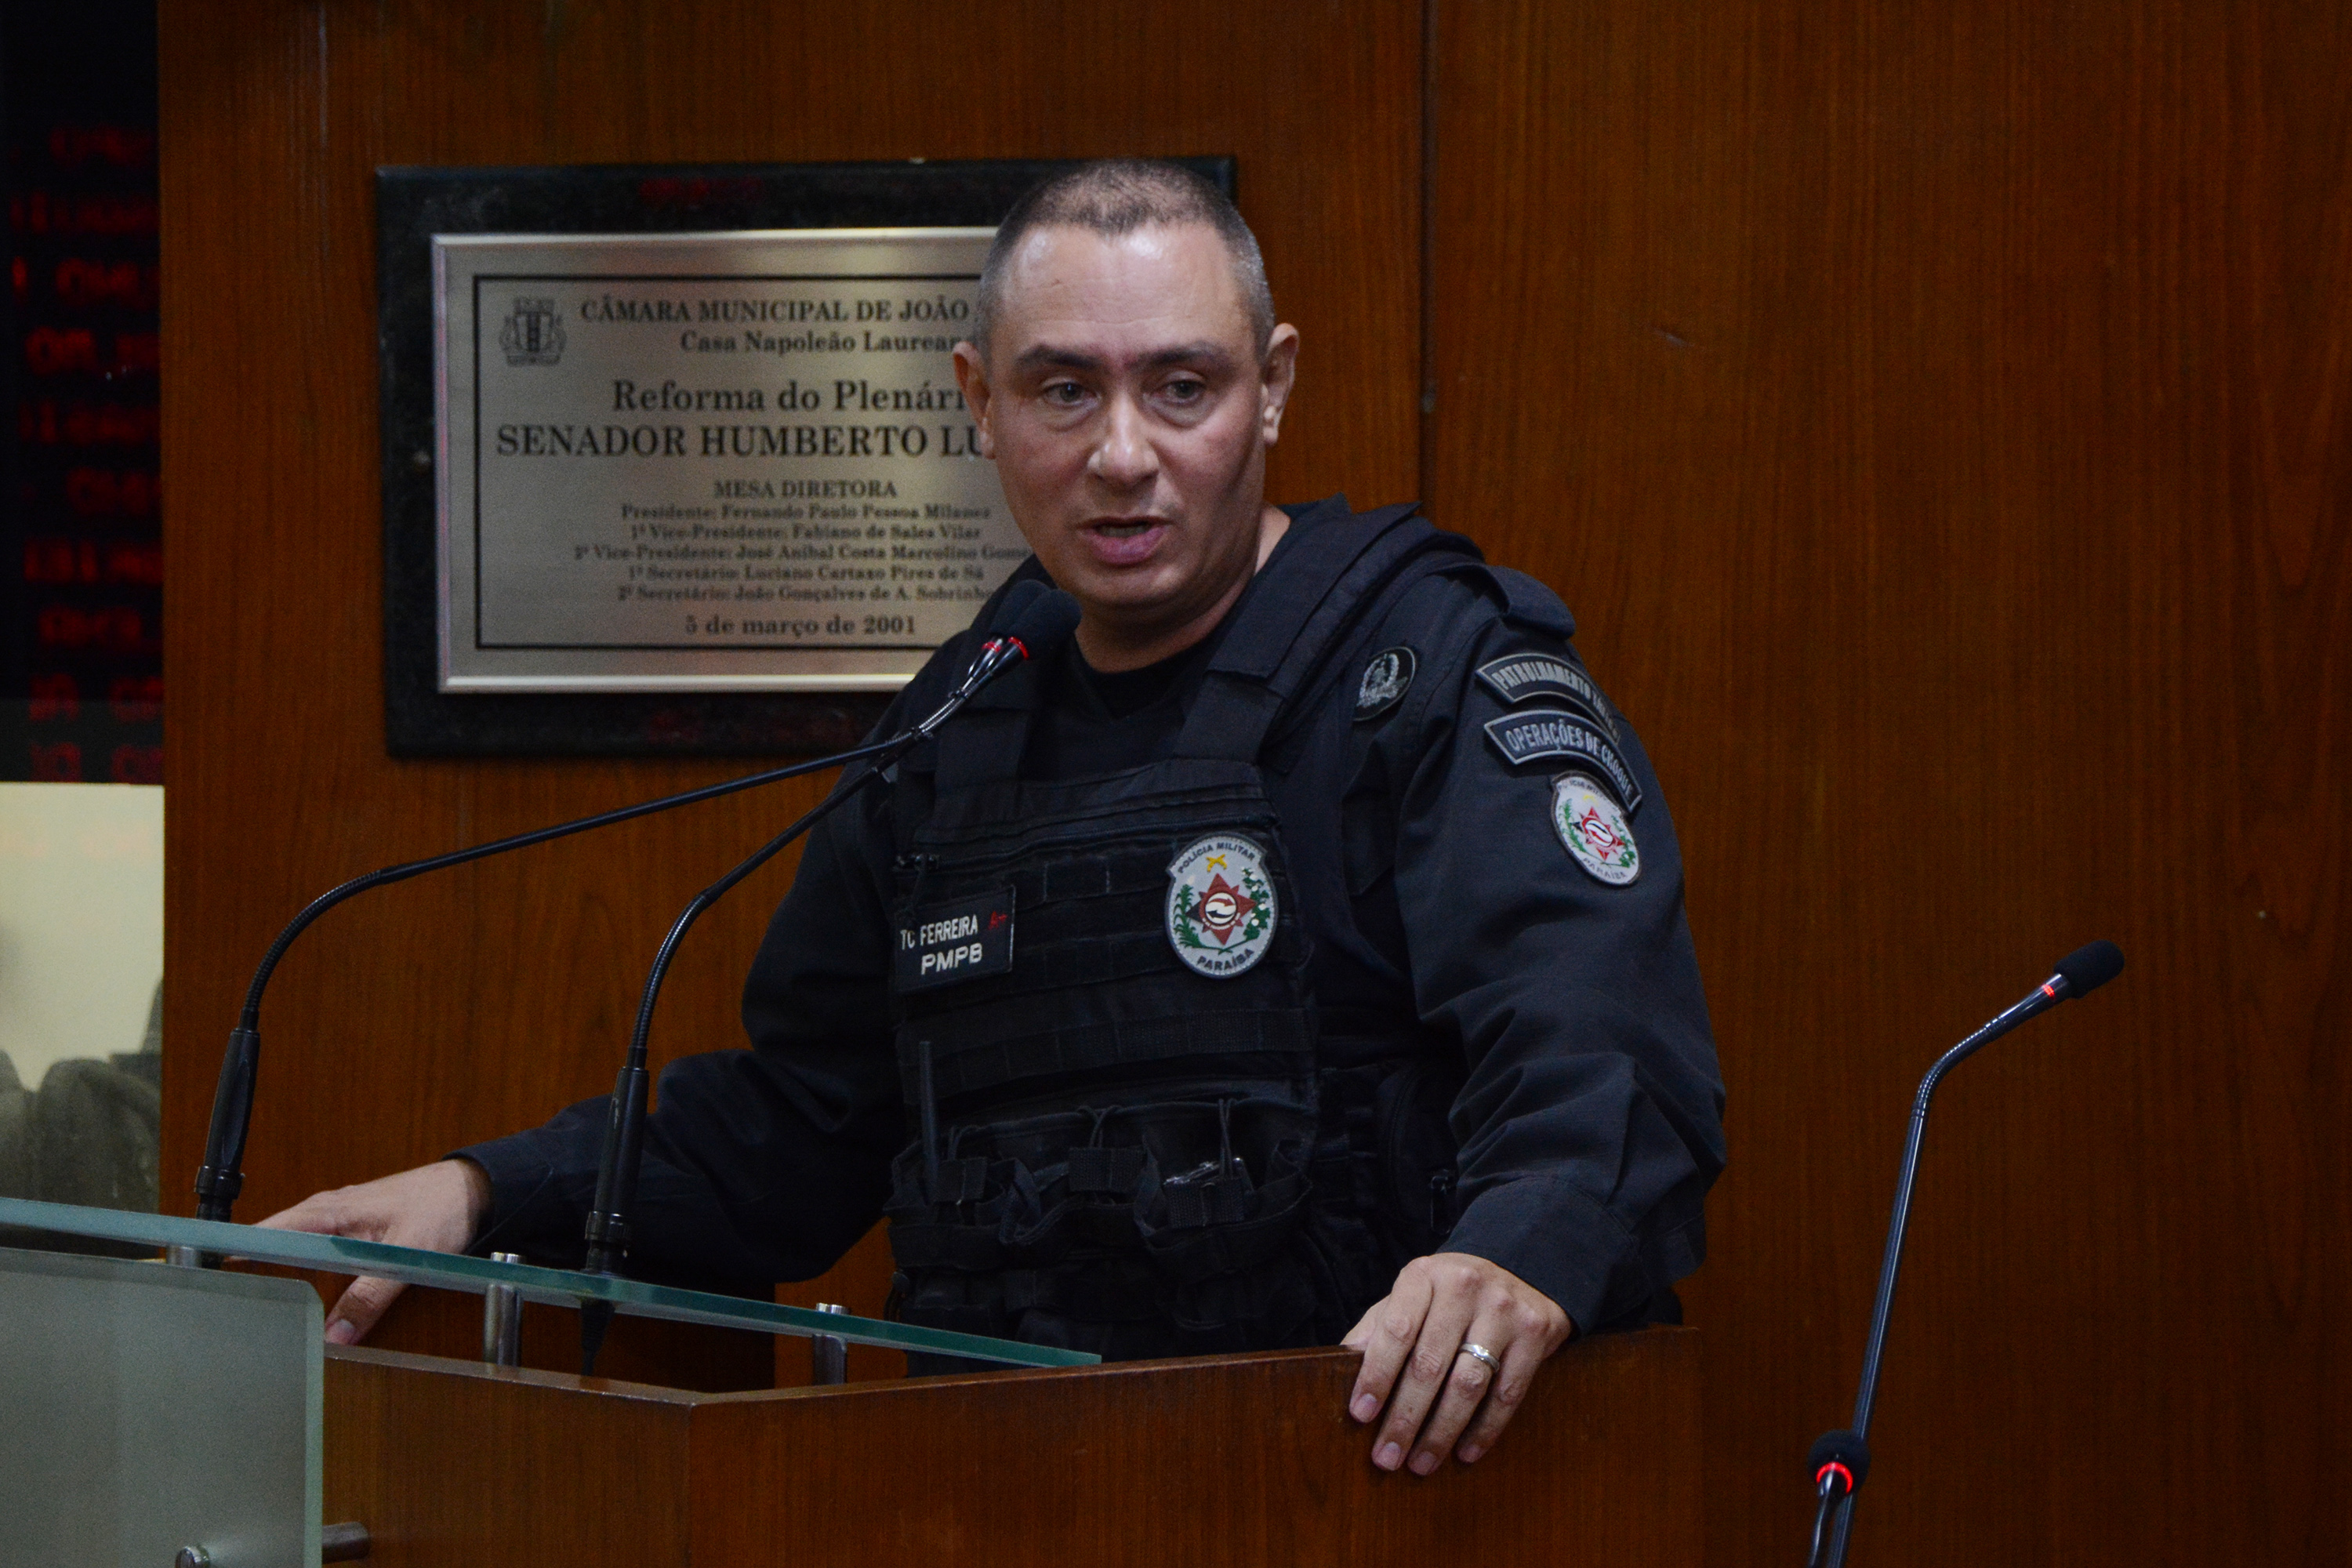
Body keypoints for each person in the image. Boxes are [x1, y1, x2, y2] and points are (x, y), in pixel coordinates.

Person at [263, 159, 1725, 1478]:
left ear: (1273, 387)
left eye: (1183, 387)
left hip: (1360, 1493)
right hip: (998, 1495)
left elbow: (1602, 1050)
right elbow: (799, 1126)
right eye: (1064, 391)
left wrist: (1513, 1258)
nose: (1123, 454)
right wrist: (485, 1192)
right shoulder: (958, 722)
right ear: (979, 400)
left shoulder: (1430, 675)